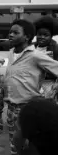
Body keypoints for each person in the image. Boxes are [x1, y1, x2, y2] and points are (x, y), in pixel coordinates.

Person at [5, 19, 58, 155]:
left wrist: (52, 90)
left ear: (27, 37)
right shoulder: (11, 53)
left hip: (27, 109)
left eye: (15, 32)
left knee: (30, 148)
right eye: (10, 32)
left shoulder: (35, 56)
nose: (10, 34)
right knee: (14, 146)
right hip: (11, 109)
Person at [34, 16, 58, 100]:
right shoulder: (31, 47)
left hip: (48, 83)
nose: (42, 37)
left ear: (51, 36)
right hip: (33, 83)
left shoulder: (55, 49)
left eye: (46, 35)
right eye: (39, 34)